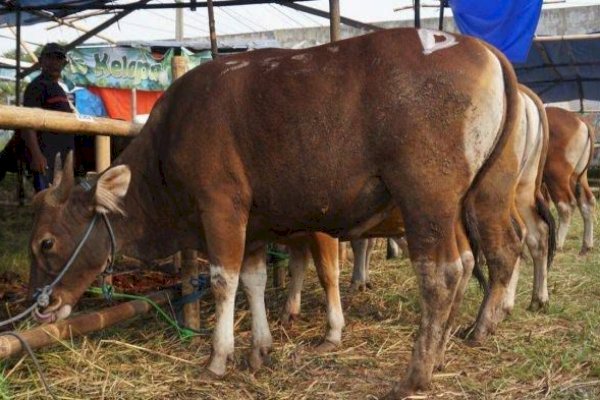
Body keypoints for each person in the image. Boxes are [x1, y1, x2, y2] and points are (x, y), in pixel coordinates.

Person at [21, 42, 74, 192]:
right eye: (50, 58)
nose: (54, 63)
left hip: (62, 155)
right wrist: (36, 155)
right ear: (41, 61)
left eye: (58, 59)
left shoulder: (58, 88)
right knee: (47, 199)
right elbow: (27, 123)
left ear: (63, 63)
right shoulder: (36, 87)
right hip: (46, 156)